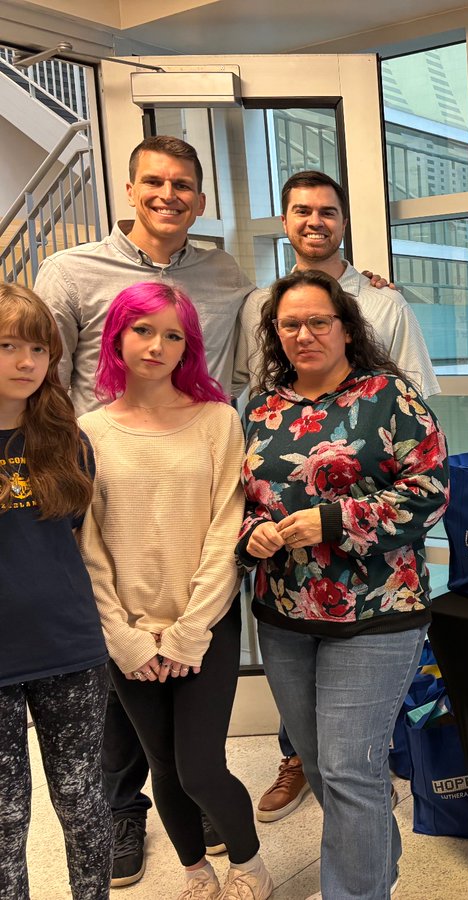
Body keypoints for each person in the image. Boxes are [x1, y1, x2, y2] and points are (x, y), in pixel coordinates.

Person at [35, 134, 259, 885]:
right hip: (107, 483)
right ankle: (131, 817)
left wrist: (354, 283)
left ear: (200, 199)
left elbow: (262, 345)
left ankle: (208, 814)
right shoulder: (70, 270)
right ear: (129, 189)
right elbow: (41, 368)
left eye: (183, 185)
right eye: (154, 182)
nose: (168, 195)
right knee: (133, 731)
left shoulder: (223, 274)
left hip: (190, 492)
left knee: (196, 760)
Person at [239, 269, 448, 899]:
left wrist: (332, 521)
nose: (304, 334)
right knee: (322, 766)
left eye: (318, 321)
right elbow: (236, 499)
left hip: (377, 611)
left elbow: (430, 493)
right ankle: (377, 867)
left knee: (349, 768)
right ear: (275, 333)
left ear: (347, 328)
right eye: (290, 324)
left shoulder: (392, 397)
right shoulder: (259, 407)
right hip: (283, 614)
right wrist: (253, 532)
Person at [78, 282, 272, 900]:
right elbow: (88, 547)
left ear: (188, 347)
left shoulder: (218, 421)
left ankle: (251, 866)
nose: (156, 346)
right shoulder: (88, 431)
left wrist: (190, 631)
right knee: (162, 766)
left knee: (201, 768)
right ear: (117, 336)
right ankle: (195, 873)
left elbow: (226, 529)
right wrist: (124, 637)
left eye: (173, 335)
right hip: (129, 633)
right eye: (143, 330)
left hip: (205, 624)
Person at [0, 284, 112, 899]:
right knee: (5, 817)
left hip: (69, 648)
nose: (27, 362)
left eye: (39, 348)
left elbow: (71, 535)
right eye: (8, 346)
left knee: (82, 800)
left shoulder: (66, 440)